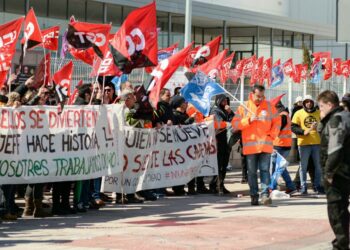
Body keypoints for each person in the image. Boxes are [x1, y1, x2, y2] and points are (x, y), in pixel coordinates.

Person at [232, 84, 280, 205]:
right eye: (258, 96)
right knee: (252, 172)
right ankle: (254, 195)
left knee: (264, 170)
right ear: (252, 94)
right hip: (250, 147)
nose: (260, 98)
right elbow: (235, 125)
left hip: (265, 144)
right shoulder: (244, 107)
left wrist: (272, 135)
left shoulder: (269, 106)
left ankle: (265, 195)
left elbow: (277, 122)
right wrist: (248, 120)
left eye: (262, 96)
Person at [317, 90, 350, 250]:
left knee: (336, 210)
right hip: (344, 170)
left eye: (321, 107)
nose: (320, 110)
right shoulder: (345, 116)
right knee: (341, 209)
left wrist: (329, 173)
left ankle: (341, 244)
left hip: (339, 173)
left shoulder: (336, 120)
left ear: (330, 105)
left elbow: (335, 150)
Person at [291, 95, 324, 195]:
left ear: (313, 103)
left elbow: (325, 125)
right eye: (306, 102)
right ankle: (303, 187)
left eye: (310, 101)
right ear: (304, 103)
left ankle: (318, 186)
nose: (308, 103)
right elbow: (293, 127)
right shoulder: (298, 113)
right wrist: (302, 131)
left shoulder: (319, 113)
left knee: (318, 166)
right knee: (303, 167)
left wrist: (319, 127)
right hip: (303, 143)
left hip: (317, 143)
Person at [270, 100, 297, 194]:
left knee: (278, 167)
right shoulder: (285, 115)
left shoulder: (282, 116)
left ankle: (272, 187)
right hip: (284, 144)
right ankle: (290, 186)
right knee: (280, 167)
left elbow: (277, 129)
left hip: (279, 145)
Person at [171, 96, 196, 195]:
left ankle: (191, 187)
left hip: (188, 146)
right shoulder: (175, 115)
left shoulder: (185, 114)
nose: (187, 104)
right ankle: (178, 188)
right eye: (185, 102)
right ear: (180, 104)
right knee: (179, 168)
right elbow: (180, 129)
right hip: (179, 147)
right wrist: (190, 120)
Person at [209, 94, 234, 194]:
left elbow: (235, 120)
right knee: (219, 165)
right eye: (223, 101)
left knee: (224, 165)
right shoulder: (215, 111)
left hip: (227, 141)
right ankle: (217, 186)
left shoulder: (226, 111)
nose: (225, 103)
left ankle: (220, 184)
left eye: (226, 101)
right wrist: (227, 124)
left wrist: (230, 112)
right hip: (219, 141)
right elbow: (218, 124)